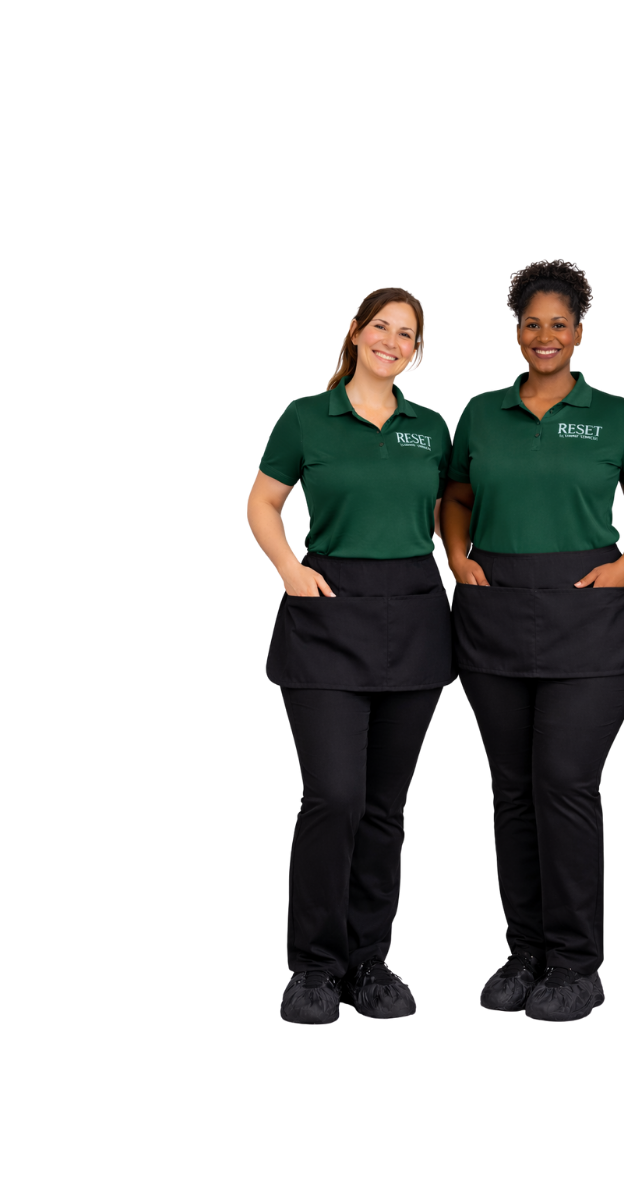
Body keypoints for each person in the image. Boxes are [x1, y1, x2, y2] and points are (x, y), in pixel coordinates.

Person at [440, 260, 624, 1023]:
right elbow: (457, 496)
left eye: (558, 324)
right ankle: (525, 950)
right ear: (515, 328)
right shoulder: (479, 413)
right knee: (510, 791)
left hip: (589, 625)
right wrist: (459, 556)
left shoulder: (618, 416)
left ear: (579, 331)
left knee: (563, 782)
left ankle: (576, 963)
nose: (544, 336)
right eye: (531, 323)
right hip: (492, 618)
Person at [247, 287, 453, 1025]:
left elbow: (446, 515)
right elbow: (261, 501)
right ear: (355, 333)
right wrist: (290, 567)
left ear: (417, 354)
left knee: (382, 807)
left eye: (408, 335)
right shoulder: (306, 416)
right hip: (327, 615)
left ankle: (370, 962)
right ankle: (312, 968)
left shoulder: (431, 430)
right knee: (332, 796)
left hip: (413, 621)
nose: (393, 342)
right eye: (382, 328)